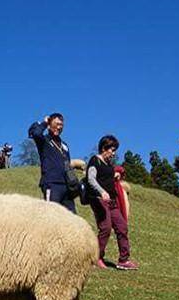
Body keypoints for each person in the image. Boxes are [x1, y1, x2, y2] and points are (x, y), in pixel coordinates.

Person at [87, 135, 138, 270]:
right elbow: (91, 179)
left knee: (122, 227)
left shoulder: (109, 164)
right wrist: (102, 191)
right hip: (99, 200)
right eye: (112, 150)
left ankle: (124, 260)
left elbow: (109, 176)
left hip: (112, 201)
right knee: (106, 228)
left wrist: (116, 174)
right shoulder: (95, 161)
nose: (114, 153)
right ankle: (97, 257)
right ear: (104, 148)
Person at [28, 113, 75, 212]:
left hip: (66, 187)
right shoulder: (44, 140)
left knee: (72, 217)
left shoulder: (64, 145)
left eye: (61, 125)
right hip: (52, 184)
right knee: (52, 214)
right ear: (49, 125)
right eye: (56, 124)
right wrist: (45, 122)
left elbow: (68, 164)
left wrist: (73, 184)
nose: (59, 127)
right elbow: (36, 133)